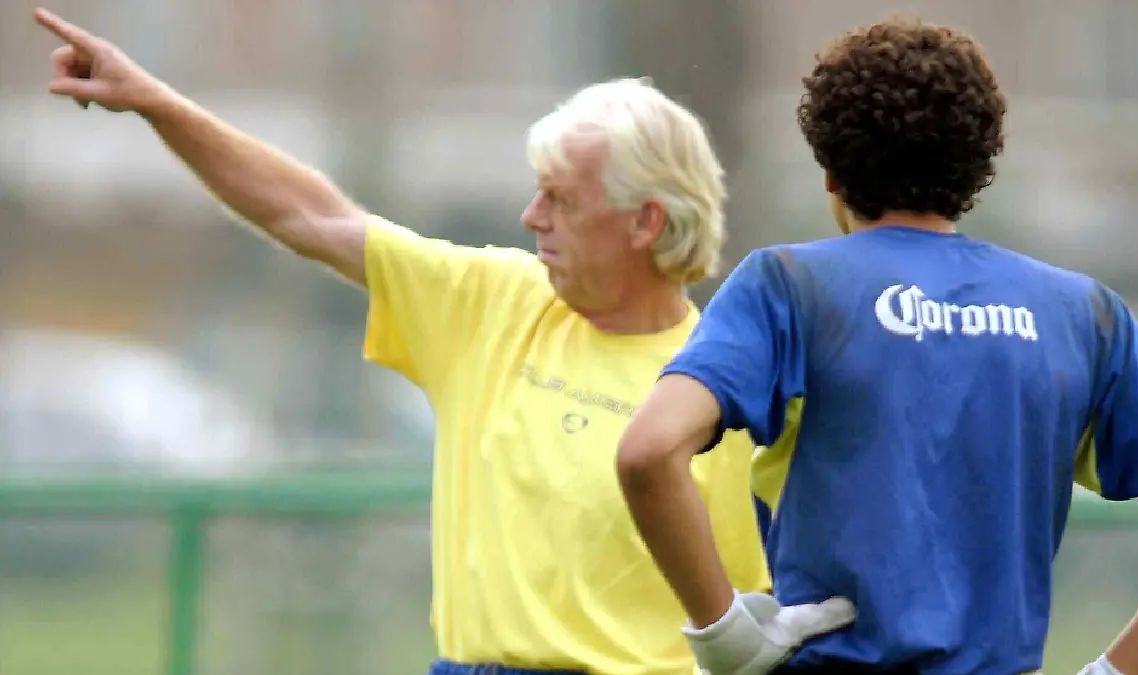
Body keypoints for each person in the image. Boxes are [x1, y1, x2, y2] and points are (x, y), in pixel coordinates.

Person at [31, 7, 862, 675]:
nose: (531, 218)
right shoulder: (490, 299)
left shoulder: (739, 375)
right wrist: (157, 104)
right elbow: (310, 214)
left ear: (645, 220)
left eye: (558, 199)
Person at [616, 15, 1138, 675]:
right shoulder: (1081, 314)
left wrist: (722, 630)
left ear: (832, 172)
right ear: (978, 166)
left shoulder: (787, 286)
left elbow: (649, 450)